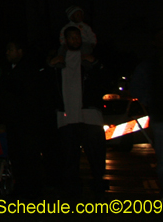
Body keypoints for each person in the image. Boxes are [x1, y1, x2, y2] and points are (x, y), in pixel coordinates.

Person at [49, 25, 108, 198]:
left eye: (77, 37)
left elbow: (105, 80)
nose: (75, 40)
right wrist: (50, 65)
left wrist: (96, 64)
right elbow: (44, 84)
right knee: (69, 157)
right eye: (71, 37)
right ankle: (72, 189)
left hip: (90, 116)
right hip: (66, 117)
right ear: (65, 41)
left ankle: (98, 185)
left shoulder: (90, 59)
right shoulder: (58, 60)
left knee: (96, 155)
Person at [0, 40, 43, 199]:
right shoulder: (8, 71)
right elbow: (2, 98)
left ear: (20, 51)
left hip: (28, 123)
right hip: (13, 123)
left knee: (29, 156)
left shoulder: (29, 70)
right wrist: (2, 120)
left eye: (11, 49)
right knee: (16, 156)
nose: (7, 53)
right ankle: (21, 188)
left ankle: (33, 190)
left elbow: (30, 97)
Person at [131, 37, 163, 211]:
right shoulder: (150, 65)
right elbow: (136, 88)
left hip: (161, 116)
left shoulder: (150, 64)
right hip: (162, 117)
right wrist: (152, 102)